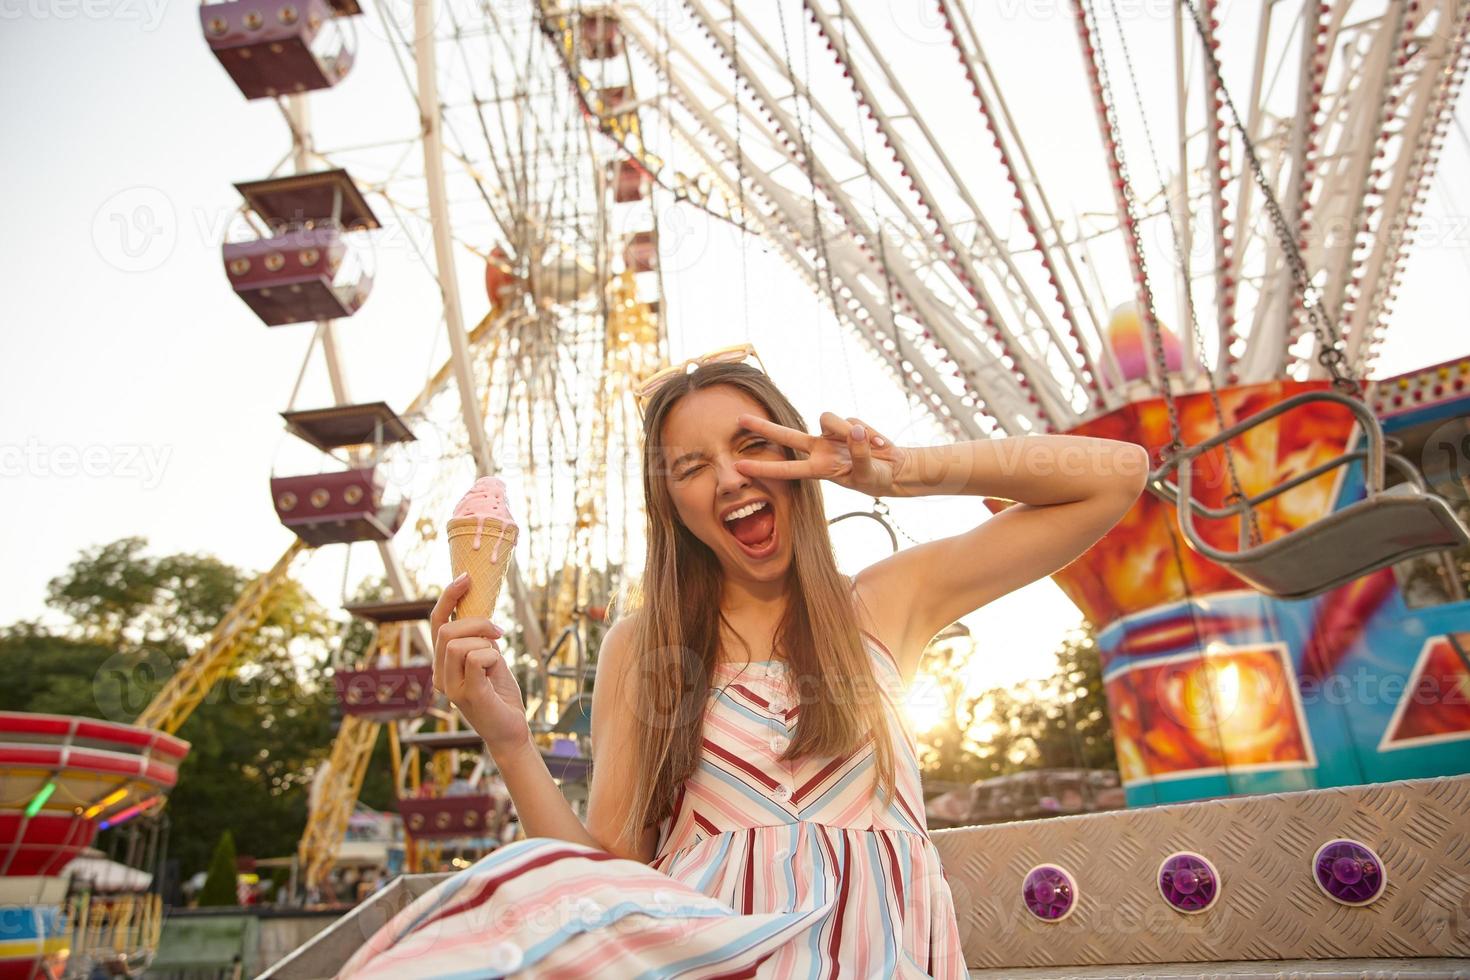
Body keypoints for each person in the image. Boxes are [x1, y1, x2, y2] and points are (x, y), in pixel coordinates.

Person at [339, 349, 1148, 978]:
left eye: (752, 444)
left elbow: (1116, 477)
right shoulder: (643, 647)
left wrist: (899, 471)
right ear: (676, 508)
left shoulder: (884, 603)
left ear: (799, 456)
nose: (729, 478)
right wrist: (510, 741)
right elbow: (602, 880)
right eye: (691, 468)